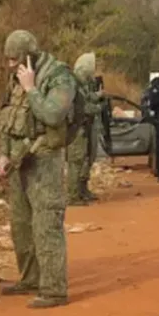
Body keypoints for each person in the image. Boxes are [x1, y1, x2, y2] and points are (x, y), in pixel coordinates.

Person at [0, 30, 75, 309]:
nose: (9, 65)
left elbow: (53, 114)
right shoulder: (15, 75)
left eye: (14, 59)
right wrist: (3, 154)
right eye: (7, 59)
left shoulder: (58, 76)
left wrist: (31, 88)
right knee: (21, 224)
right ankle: (30, 278)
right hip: (20, 159)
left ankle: (54, 289)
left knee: (46, 224)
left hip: (45, 159)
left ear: (28, 55)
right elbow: (7, 114)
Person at [67, 52, 102, 205]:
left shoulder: (82, 86)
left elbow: (87, 98)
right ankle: (73, 195)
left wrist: (97, 96)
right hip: (76, 130)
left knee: (86, 159)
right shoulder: (72, 86)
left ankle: (82, 190)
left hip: (84, 127)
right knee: (76, 162)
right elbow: (81, 107)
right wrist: (97, 108)